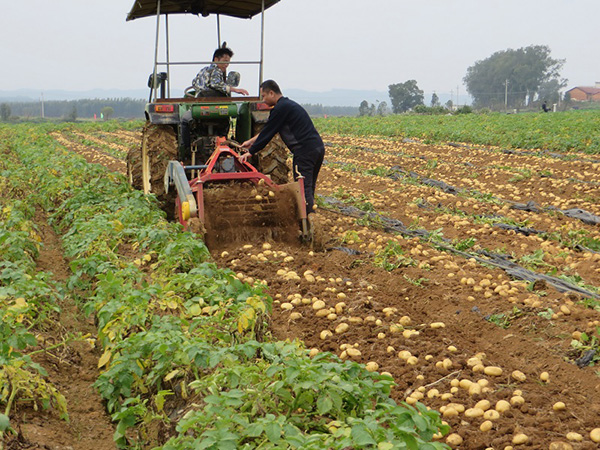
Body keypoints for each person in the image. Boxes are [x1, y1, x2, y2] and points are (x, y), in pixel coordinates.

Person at [239, 80, 325, 214]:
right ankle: (309, 217)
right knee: (309, 187)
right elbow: (270, 128)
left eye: (264, 96)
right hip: (317, 148)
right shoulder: (287, 105)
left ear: (271, 93)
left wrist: (250, 152)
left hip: (304, 151)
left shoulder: (280, 108)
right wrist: (251, 141)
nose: (263, 100)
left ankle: (308, 221)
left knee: (302, 188)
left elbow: (268, 133)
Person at [180, 45, 249, 156]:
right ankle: (225, 141)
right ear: (216, 59)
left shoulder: (203, 71)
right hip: (219, 108)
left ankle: (186, 150)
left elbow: (194, 83)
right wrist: (235, 89)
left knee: (184, 121)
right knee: (227, 121)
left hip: (200, 108)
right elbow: (216, 84)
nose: (226, 65)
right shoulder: (216, 70)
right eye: (224, 61)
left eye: (228, 62)